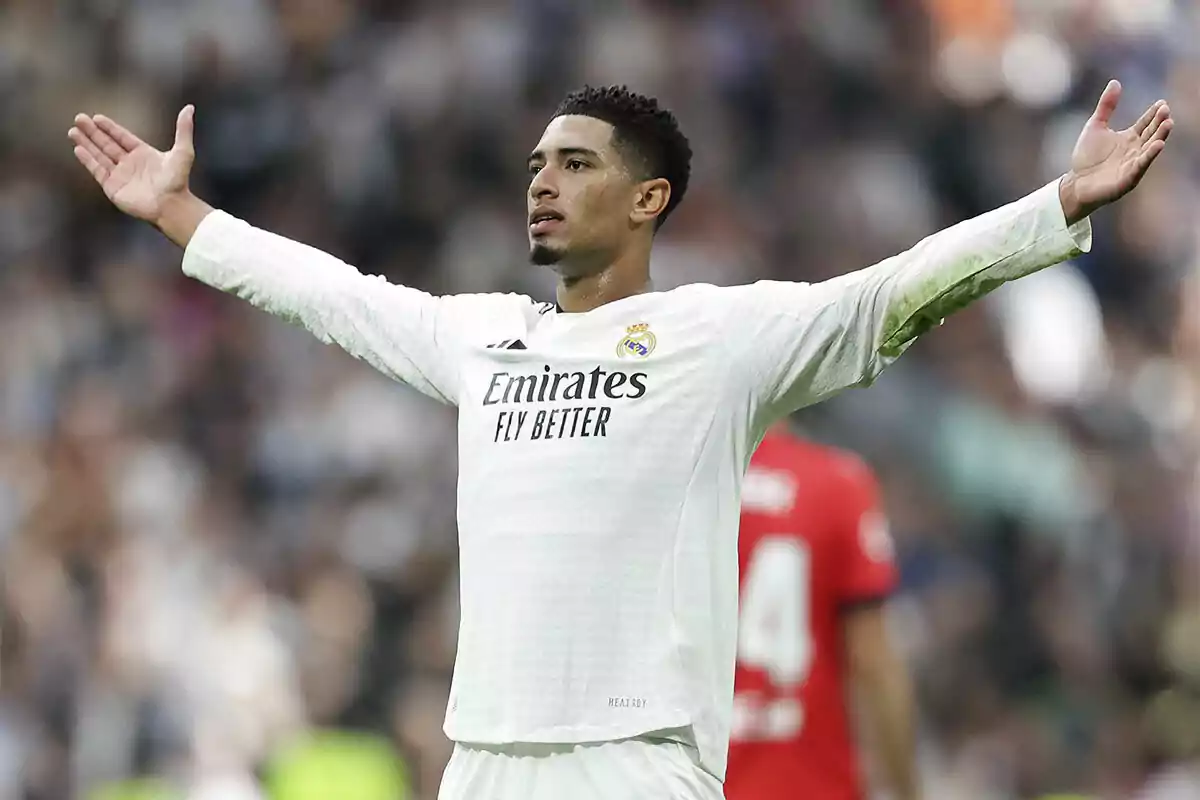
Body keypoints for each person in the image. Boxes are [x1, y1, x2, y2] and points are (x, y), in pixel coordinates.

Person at [68, 81, 1171, 799]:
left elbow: (891, 295)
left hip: (635, 760)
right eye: (539, 163)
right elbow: (335, 295)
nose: (543, 181)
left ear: (650, 198)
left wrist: (1056, 205)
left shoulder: (719, 336)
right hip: (485, 758)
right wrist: (183, 218)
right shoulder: (483, 337)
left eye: (577, 163)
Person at [726, 424, 917, 800]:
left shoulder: (668, 483)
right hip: (807, 782)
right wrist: (908, 790)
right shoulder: (836, 482)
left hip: (686, 780)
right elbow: (873, 662)